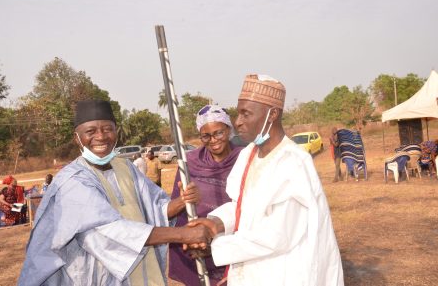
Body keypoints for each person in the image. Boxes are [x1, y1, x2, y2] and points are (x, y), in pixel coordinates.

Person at [19, 100, 213, 286]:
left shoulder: (126, 167)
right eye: (91, 131)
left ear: (116, 131)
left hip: (142, 274)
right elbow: (109, 231)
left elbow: (154, 210)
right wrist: (183, 235)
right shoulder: (72, 181)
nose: (101, 136)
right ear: (76, 137)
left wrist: (181, 202)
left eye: (107, 129)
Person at [188, 74, 344, 285]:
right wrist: (215, 223)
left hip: (284, 274)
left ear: (272, 114)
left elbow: (278, 235)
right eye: (238, 113)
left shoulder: (293, 162)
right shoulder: (249, 154)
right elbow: (242, 206)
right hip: (253, 271)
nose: (238, 122)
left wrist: (213, 247)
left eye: (246, 114)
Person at [168, 105, 244, 286]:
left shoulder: (244, 159)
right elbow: (173, 210)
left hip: (234, 249)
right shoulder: (189, 164)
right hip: (198, 250)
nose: (213, 140)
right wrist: (184, 199)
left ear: (229, 130)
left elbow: (251, 209)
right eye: (206, 136)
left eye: (219, 133)